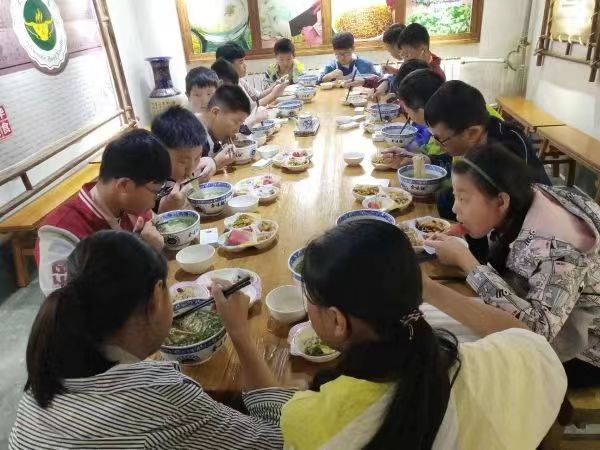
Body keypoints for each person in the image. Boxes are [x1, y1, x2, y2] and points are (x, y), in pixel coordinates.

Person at [217, 220, 566, 449]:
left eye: (309, 296)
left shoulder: (313, 421)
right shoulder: (494, 366)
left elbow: (270, 414)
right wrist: (430, 289)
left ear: (337, 321)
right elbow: (526, 337)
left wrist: (238, 331)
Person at [10, 231, 294, 449]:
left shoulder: (43, 373)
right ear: (157, 296)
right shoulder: (162, 396)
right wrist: (239, 333)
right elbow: (281, 439)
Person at [424, 143, 600, 389]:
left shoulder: (560, 246)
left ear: (501, 201)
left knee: (465, 370)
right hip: (548, 315)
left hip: (585, 351)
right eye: (455, 196)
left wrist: (466, 261)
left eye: (463, 198)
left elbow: (535, 334)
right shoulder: (524, 198)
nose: (454, 208)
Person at [35, 129, 169, 297]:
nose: (154, 202)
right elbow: (63, 303)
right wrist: (142, 255)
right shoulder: (60, 232)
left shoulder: (131, 208)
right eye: (155, 192)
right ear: (124, 186)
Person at [425, 80, 550, 221]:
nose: (437, 144)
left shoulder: (507, 151)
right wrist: (430, 161)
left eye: (439, 139)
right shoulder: (479, 135)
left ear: (471, 133)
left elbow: (511, 210)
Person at [150, 106, 217, 212]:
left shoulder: (188, 167)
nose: (190, 170)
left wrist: (211, 162)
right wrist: (165, 210)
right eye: (183, 162)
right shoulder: (148, 185)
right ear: (159, 154)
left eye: (197, 157)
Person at [216, 41, 288, 109]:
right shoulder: (225, 87)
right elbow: (249, 109)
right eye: (241, 62)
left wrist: (275, 86)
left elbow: (258, 96)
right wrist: (273, 95)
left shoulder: (239, 79)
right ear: (228, 65)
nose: (245, 65)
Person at [197, 84, 251, 170]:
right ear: (215, 112)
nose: (237, 130)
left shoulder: (212, 132)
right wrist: (215, 163)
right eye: (236, 122)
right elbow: (187, 176)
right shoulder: (193, 134)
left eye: (240, 124)